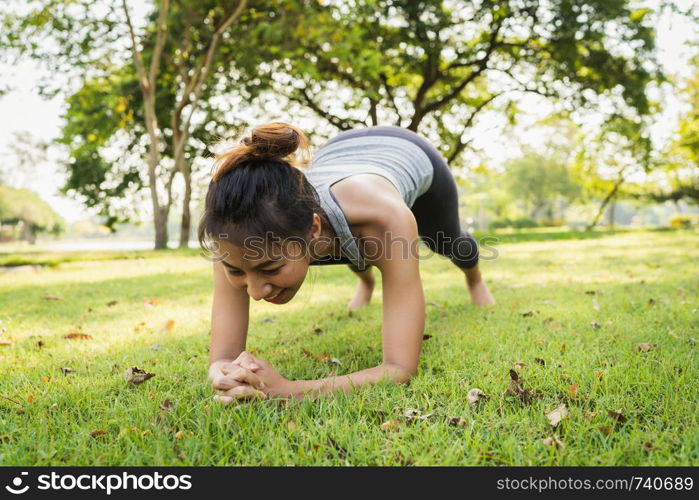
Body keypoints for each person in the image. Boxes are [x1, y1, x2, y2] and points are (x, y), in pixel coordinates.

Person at [198, 122, 495, 404]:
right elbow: (222, 357)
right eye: (237, 271)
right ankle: (365, 282)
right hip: (336, 156)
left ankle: (475, 280)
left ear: (313, 229)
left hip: (408, 152)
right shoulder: (235, 231)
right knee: (353, 246)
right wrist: (223, 373)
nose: (255, 291)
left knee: (450, 243)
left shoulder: (382, 218)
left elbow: (399, 368)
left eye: (271, 269)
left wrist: (291, 390)